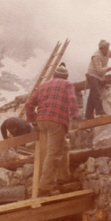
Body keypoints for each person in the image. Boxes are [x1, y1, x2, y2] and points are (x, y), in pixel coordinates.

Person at [25, 63, 79, 194]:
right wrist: (75, 117)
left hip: (42, 121)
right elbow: (72, 101)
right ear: (65, 77)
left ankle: (63, 177)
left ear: (54, 75)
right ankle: (45, 186)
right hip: (56, 120)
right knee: (53, 153)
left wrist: (33, 120)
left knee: (64, 146)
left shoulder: (43, 85)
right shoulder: (67, 84)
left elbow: (28, 104)